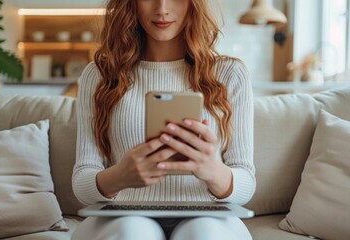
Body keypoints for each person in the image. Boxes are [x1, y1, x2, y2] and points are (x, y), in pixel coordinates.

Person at [72, 0, 255, 239]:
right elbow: (81, 182)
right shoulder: (99, 76)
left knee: (203, 233)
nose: (162, 8)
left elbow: (246, 184)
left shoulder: (230, 74)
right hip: (122, 216)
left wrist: (212, 170)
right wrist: (119, 177)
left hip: (210, 216)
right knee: (133, 232)